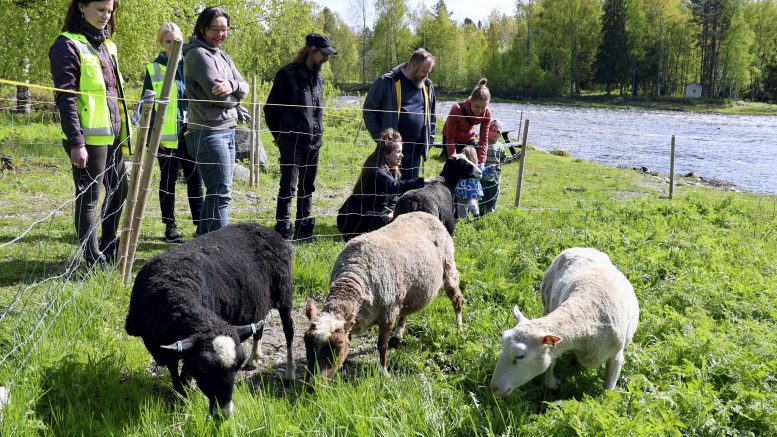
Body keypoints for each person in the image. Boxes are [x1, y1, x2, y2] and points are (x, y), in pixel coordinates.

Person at [49, 0, 130, 268]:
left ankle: (108, 243)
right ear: (82, 6)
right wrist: (76, 142)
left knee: (120, 189)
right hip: (86, 138)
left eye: (109, 11)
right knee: (90, 197)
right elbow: (65, 99)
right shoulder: (66, 44)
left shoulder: (107, 44)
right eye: (100, 10)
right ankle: (92, 257)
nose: (106, 16)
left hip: (113, 133)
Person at [265, 33, 337, 242]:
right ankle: (283, 232)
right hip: (291, 141)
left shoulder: (318, 78)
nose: (326, 59)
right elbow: (270, 109)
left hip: (314, 142)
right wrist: (280, 137)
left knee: (308, 187)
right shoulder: (287, 75)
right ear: (311, 51)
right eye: (323, 54)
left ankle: (304, 231)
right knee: (288, 186)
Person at [184, 6, 248, 235]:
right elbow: (217, 97)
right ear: (202, 28)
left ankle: (203, 243)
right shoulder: (198, 55)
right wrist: (237, 101)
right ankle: (218, 248)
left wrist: (232, 85)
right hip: (208, 132)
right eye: (214, 29)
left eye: (224, 29)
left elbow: (245, 86)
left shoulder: (222, 56)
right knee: (221, 192)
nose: (220, 34)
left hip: (226, 130)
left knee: (219, 191)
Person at [142, 22, 203, 243]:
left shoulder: (191, 65)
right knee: (167, 182)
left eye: (177, 41)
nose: (173, 45)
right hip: (164, 138)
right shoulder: (153, 69)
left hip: (191, 134)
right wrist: (150, 138)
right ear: (162, 43)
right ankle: (170, 226)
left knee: (195, 179)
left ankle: (200, 225)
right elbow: (146, 106)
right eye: (168, 41)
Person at [337, 128, 443, 240]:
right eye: (398, 152)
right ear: (386, 154)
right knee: (390, 222)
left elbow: (394, 197)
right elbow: (395, 187)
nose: (402, 155)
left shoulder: (390, 169)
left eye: (401, 151)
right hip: (353, 218)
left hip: (372, 212)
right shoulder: (377, 171)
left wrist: (394, 212)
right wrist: (423, 181)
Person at [363, 48, 436, 181]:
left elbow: (432, 117)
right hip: (391, 152)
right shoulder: (388, 81)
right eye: (424, 71)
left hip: (415, 152)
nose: (427, 76)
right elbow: (369, 110)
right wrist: (382, 139)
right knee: (389, 190)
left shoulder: (427, 87)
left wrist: (428, 141)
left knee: (408, 192)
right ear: (414, 66)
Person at [442, 78, 492, 165]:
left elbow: (484, 139)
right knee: (454, 166)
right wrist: (453, 156)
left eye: (483, 107)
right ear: (471, 101)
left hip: (468, 138)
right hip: (451, 139)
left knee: (472, 164)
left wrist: (482, 160)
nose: (480, 110)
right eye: (477, 107)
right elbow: (450, 137)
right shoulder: (457, 109)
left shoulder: (487, 114)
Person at [480, 119, 507, 214]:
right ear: (488, 130)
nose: (495, 133)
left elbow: (504, 159)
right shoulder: (482, 144)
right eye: (493, 131)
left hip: (495, 176)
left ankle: (490, 212)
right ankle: (481, 211)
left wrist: (516, 157)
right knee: (482, 194)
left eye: (498, 132)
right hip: (483, 175)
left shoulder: (500, 146)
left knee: (493, 194)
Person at [455, 146, 483, 220]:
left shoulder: (476, 166)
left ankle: (477, 216)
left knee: (472, 204)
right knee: (461, 207)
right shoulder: (461, 166)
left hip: (471, 192)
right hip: (462, 192)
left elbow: (482, 171)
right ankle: (463, 221)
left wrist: (489, 170)